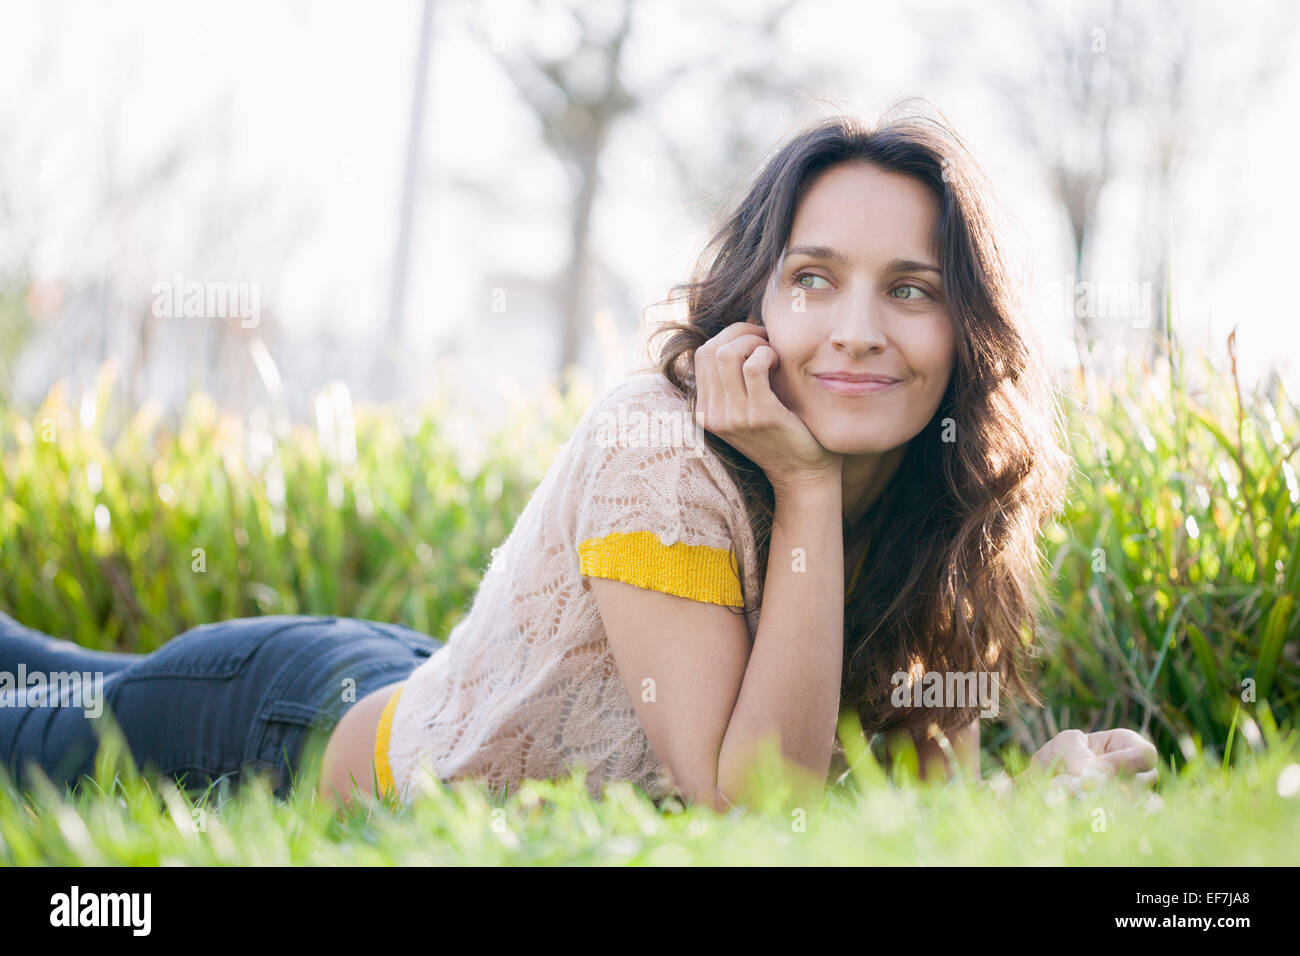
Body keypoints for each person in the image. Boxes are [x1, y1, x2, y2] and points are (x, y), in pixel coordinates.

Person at [0, 102, 1157, 812]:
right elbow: (752, 807)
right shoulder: (657, 444)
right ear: (754, 299)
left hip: (455, 683)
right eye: (814, 278)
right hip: (283, 722)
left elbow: (868, 812)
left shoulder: (934, 501)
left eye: (910, 290)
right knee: (28, 704)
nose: (857, 326)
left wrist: (1029, 790)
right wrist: (803, 489)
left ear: (965, 334)